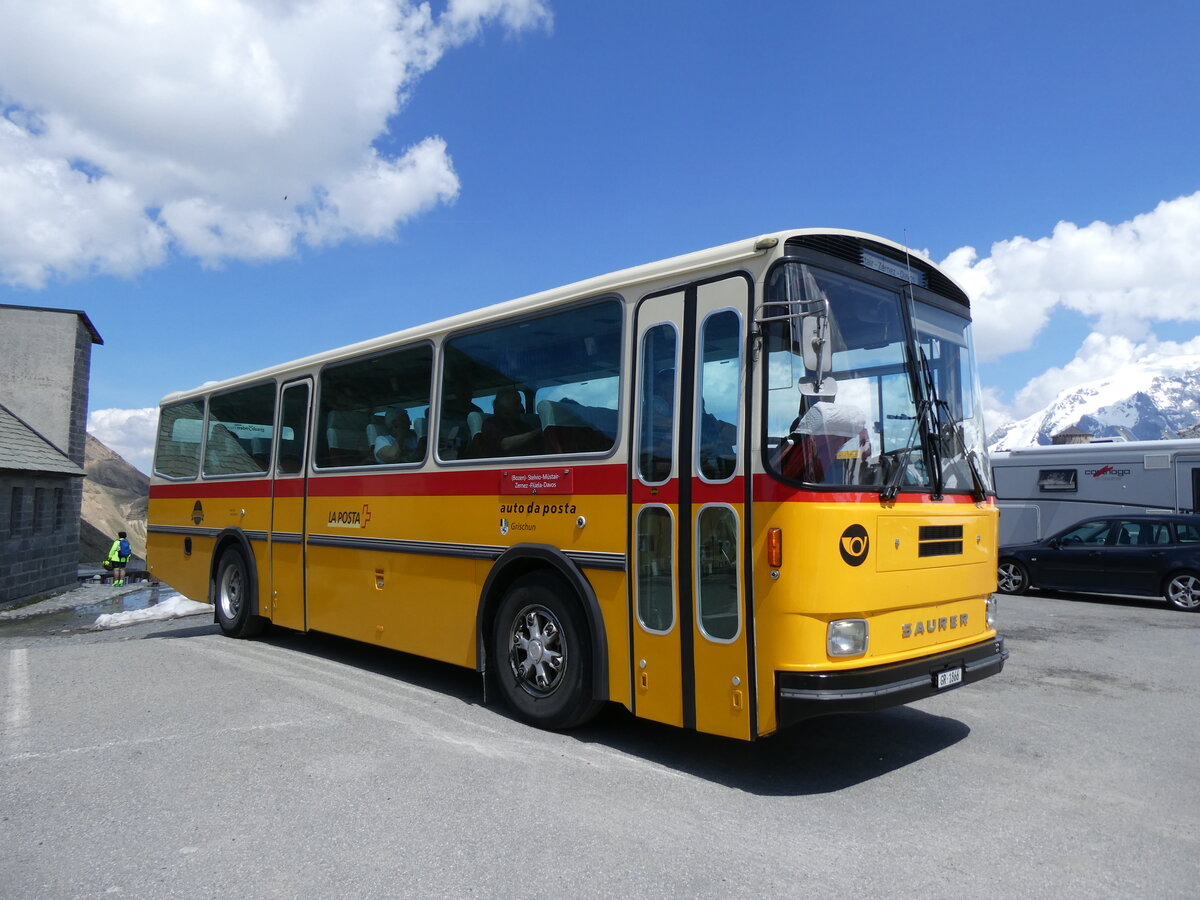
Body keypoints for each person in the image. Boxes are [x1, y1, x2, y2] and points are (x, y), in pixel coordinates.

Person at [480, 388, 543, 456]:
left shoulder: (522, 426)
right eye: (516, 403)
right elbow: (505, 445)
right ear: (503, 407)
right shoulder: (490, 424)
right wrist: (535, 433)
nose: (521, 408)